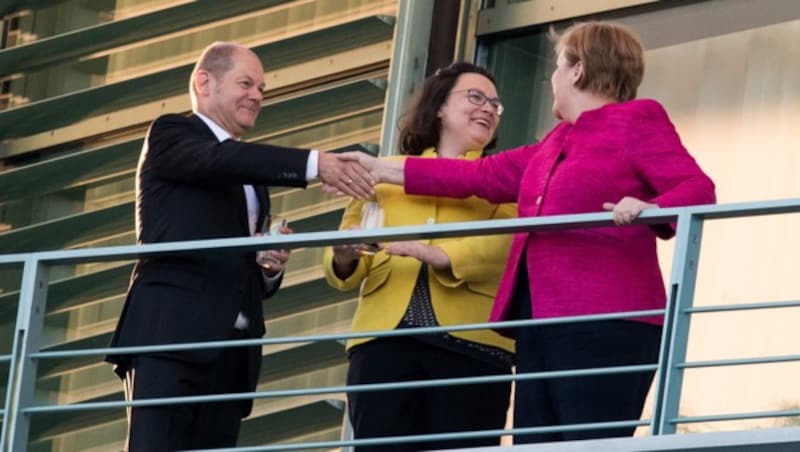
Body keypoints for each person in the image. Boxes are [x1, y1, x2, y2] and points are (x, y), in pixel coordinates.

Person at [341, 22, 716, 443]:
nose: (552, 78)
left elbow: (699, 189)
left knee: (586, 444)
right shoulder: (553, 145)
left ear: (577, 71)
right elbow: (473, 175)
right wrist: (373, 167)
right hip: (541, 327)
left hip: (607, 323)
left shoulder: (637, 119)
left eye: (558, 66)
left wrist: (653, 208)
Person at [105, 41, 373, 451]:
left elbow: (234, 230)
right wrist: (318, 164)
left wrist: (266, 265)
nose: (257, 95)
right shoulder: (171, 132)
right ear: (204, 82)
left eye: (263, 89)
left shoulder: (251, 174)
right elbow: (217, 162)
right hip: (171, 338)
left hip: (231, 354)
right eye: (246, 83)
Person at [322, 62, 516, 451]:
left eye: (495, 104)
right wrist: (344, 254)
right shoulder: (385, 171)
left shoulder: (504, 177)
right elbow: (343, 260)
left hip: (470, 344)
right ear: (440, 106)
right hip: (382, 343)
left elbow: (509, 244)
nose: (488, 109)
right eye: (475, 97)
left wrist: (442, 254)